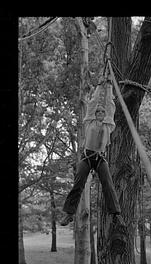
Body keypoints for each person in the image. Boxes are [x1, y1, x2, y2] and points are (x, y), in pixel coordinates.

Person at [61, 75, 124, 226]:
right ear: (95, 115)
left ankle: (116, 215)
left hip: (100, 158)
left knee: (108, 183)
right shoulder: (89, 122)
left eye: (103, 113)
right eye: (99, 113)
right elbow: (92, 103)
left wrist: (109, 86)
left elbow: (110, 105)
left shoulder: (109, 125)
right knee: (78, 183)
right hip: (87, 157)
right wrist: (99, 86)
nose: (101, 114)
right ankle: (69, 213)